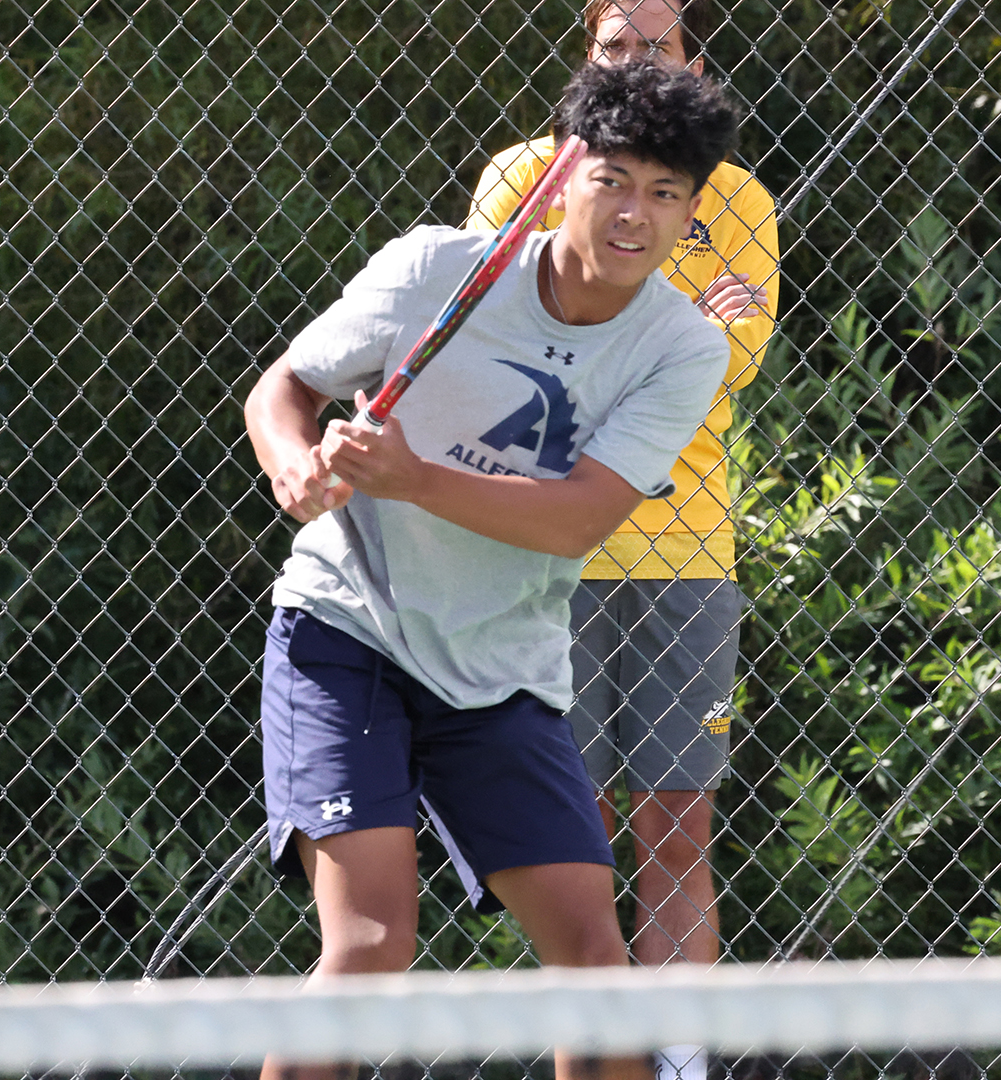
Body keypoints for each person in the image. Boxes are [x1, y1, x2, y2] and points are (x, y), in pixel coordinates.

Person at [245, 60, 740, 1080]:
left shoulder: (680, 350)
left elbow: (577, 523)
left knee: (595, 969)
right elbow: (286, 386)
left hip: (500, 667)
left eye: (666, 194)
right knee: (372, 948)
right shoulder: (436, 269)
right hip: (350, 634)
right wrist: (295, 467)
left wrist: (413, 477)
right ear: (566, 175)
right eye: (614, 179)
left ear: (690, 215)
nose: (634, 214)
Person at [464, 5, 779, 1073]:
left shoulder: (739, 199)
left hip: (689, 556)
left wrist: (623, 329)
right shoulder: (519, 178)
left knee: (678, 829)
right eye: (618, 45)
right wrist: (689, 314)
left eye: (661, 43)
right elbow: (510, 338)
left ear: (693, 56)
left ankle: (680, 1064)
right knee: (573, 840)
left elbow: (725, 370)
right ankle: (595, 1061)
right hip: (549, 550)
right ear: (585, 58)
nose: (642, 62)